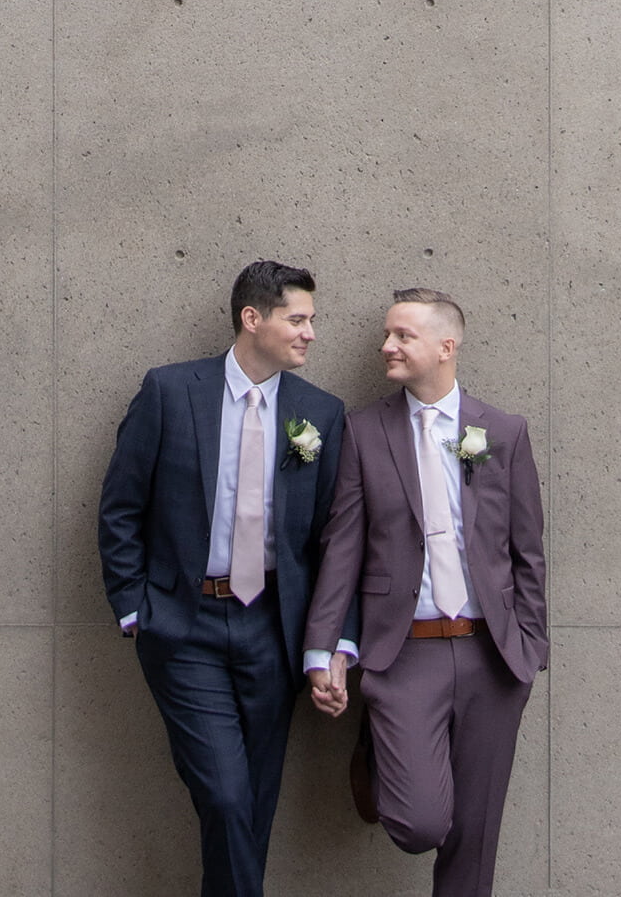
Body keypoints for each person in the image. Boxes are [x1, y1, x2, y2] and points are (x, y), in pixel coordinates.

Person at [97, 260, 352, 897]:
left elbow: (334, 542)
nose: (311, 334)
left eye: (311, 320)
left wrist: (330, 643)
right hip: (185, 628)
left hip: (275, 628)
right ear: (252, 318)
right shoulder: (169, 391)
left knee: (255, 805)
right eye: (298, 319)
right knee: (228, 797)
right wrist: (137, 611)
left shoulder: (320, 413)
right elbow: (121, 506)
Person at [302, 288, 548, 897]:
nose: (387, 346)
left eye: (402, 336)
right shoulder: (364, 430)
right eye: (387, 335)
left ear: (446, 346)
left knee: (475, 835)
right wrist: (323, 646)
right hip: (404, 653)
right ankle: (383, 743)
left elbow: (528, 550)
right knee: (420, 822)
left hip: (494, 656)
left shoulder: (503, 431)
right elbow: (342, 548)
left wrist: (531, 647)